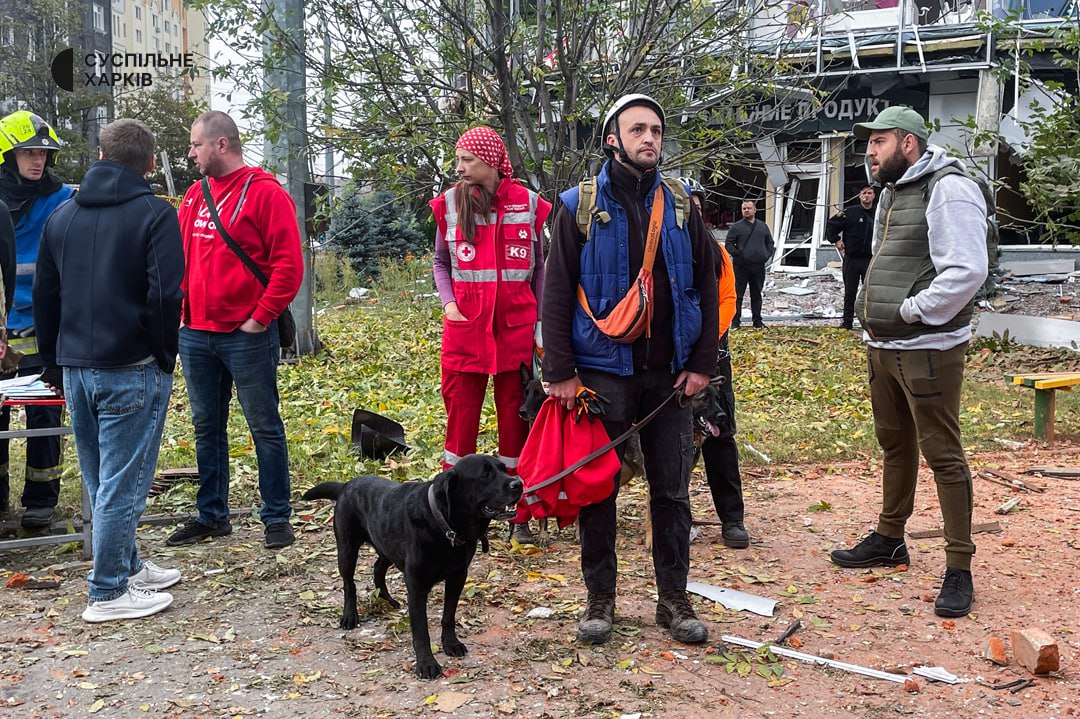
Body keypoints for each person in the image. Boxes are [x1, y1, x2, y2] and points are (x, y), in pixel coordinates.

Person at [542, 94, 719, 645]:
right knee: (599, 489)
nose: (650, 139)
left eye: (657, 131)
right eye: (638, 129)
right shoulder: (576, 206)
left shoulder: (684, 204)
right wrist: (561, 371)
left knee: (672, 492)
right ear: (612, 139)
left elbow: (708, 287)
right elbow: (554, 293)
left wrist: (701, 364)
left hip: (669, 376)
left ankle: (674, 601)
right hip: (601, 374)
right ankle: (600, 602)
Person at [830, 106, 988, 619]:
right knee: (895, 444)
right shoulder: (896, 192)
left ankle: (959, 566)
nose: (869, 152)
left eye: (877, 142)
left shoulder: (949, 188)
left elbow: (967, 270)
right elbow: (883, 259)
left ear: (908, 143)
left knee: (942, 453)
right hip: (885, 345)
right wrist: (874, 314)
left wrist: (910, 311)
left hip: (929, 348)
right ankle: (890, 537)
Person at [34, 118, 185, 621]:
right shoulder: (155, 215)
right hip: (131, 364)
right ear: (148, 162)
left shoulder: (62, 216)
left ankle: (126, 564)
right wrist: (164, 355)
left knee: (101, 477)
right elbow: (165, 293)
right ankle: (107, 591)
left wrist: (56, 363)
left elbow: (45, 297)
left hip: (76, 365)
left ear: (100, 157)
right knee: (124, 482)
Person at [166, 111, 303, 550]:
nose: (191, 153)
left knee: (264, 425)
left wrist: (259, 319)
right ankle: (212, 515)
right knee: (207, 426)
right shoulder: (193, 195)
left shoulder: (266, 194)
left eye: (196, 145)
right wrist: (182, 312)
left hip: (245, 335)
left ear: (221, 145)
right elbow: (180, 260)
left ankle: (276, 517)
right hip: (196, 333)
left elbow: (288, 267)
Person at [430, 126, 551, 546]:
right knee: (459, 427)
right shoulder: (449, 204)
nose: (459, 168)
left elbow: (539, 270)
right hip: (465, 333)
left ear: (491, 162)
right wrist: (449, 303)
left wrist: (540, 326)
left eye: (467, 160)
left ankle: (516, 511)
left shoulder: (529, 205)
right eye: (458, 159)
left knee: (515, 428)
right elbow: (441, 262)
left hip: (515, 335)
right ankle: (449, 513)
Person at [0, 111, 75, 530]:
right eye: (29, 152)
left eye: (44, 153)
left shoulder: (61, 198)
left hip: (42, 328)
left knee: (45, 416)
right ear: (8, 155)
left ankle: (41, 501)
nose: (38, 161)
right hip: (0, 331)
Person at [685, 182, 749, 549]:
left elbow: (728, 298)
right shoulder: (658, 247)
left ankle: (732, 518)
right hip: (671, 358)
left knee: (720, 433)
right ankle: (679, 515)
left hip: (713, 355)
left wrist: (707, 339)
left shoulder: (719, 252)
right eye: (684, 205)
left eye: (696, 205)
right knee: (672, 443)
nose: (691, 211)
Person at [826, 185, 876, 330]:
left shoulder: (879, 213)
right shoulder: (849, 212)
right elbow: (831, 224)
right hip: (852, 259)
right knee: (850, 292)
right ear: (860, 196)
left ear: (874, 196)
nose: (866, 196)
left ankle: (869, 323)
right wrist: (836, 240)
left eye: (869, 193)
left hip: (870, 259)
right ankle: (847, 322)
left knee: (870, 292)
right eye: (864, 193)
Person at [725, 198, 774, 329]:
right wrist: (738, 254)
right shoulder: (736, 227)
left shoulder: (762, 226)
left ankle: (757, 321)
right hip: (741, 267)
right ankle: (735, 323)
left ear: (755, 210)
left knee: (757, 294)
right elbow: (728, 244)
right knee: (738, 295)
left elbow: (770, 243)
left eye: (749, 208)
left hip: (758, 267)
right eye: (744, 208)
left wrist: (766, 255)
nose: (746, 210)